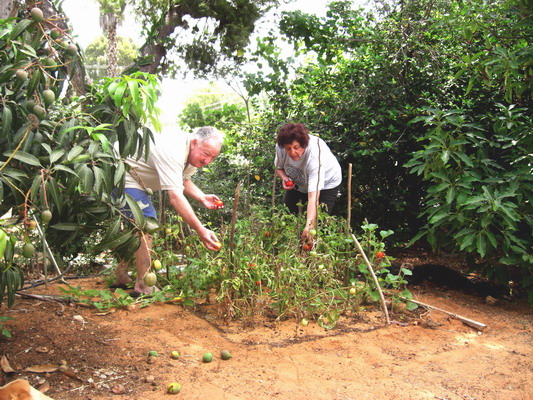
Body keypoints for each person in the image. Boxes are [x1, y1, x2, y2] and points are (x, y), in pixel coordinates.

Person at [113, 126, 225, 296]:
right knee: (146, 225)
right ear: (194, 143)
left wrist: (201, 196)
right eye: (206, 154)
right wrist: (201, 230)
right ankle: (143, 285)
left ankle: (121, 275)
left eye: (213, 157)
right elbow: (175, 197)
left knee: (136, 230)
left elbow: (182, 179)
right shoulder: (174, 150)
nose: (207, 161)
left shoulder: (192, 156)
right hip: (121, 171)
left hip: (137, 179)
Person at [275, 123, 342, 241]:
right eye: (288, 148)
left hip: (327, 184)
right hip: (299, 181)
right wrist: (285, 178)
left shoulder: (315, 156)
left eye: (296, 147)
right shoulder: (280, 148)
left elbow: (313, 198)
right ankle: (292, 248)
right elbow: (279, 168)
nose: (292, 152)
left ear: (304, 145)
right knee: (288, 217)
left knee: (318, 224)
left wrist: (309, 225)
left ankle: (315, 251)